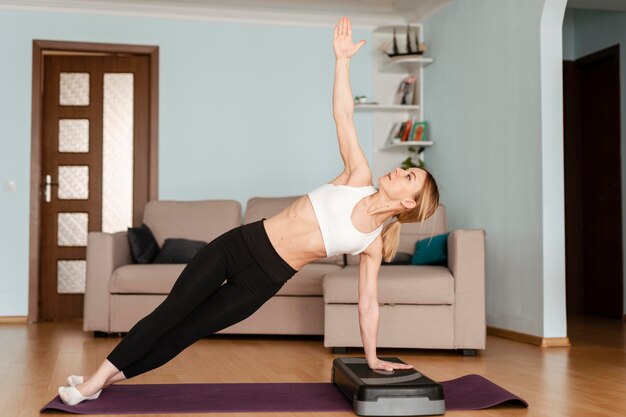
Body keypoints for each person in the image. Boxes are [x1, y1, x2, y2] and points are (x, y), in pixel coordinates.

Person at [58, 16, 440, 406]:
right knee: (172, 312)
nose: (400, 170)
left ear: (408, 203)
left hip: (263, 281)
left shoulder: (372, 242)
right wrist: (341, 61)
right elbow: (343, 115)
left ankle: (104, 380)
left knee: (185, 333)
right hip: (238, 245)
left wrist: (372, 357)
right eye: (407, 169)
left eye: (409, 176)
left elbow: (369, 303)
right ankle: (92, 383)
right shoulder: (358, 175)